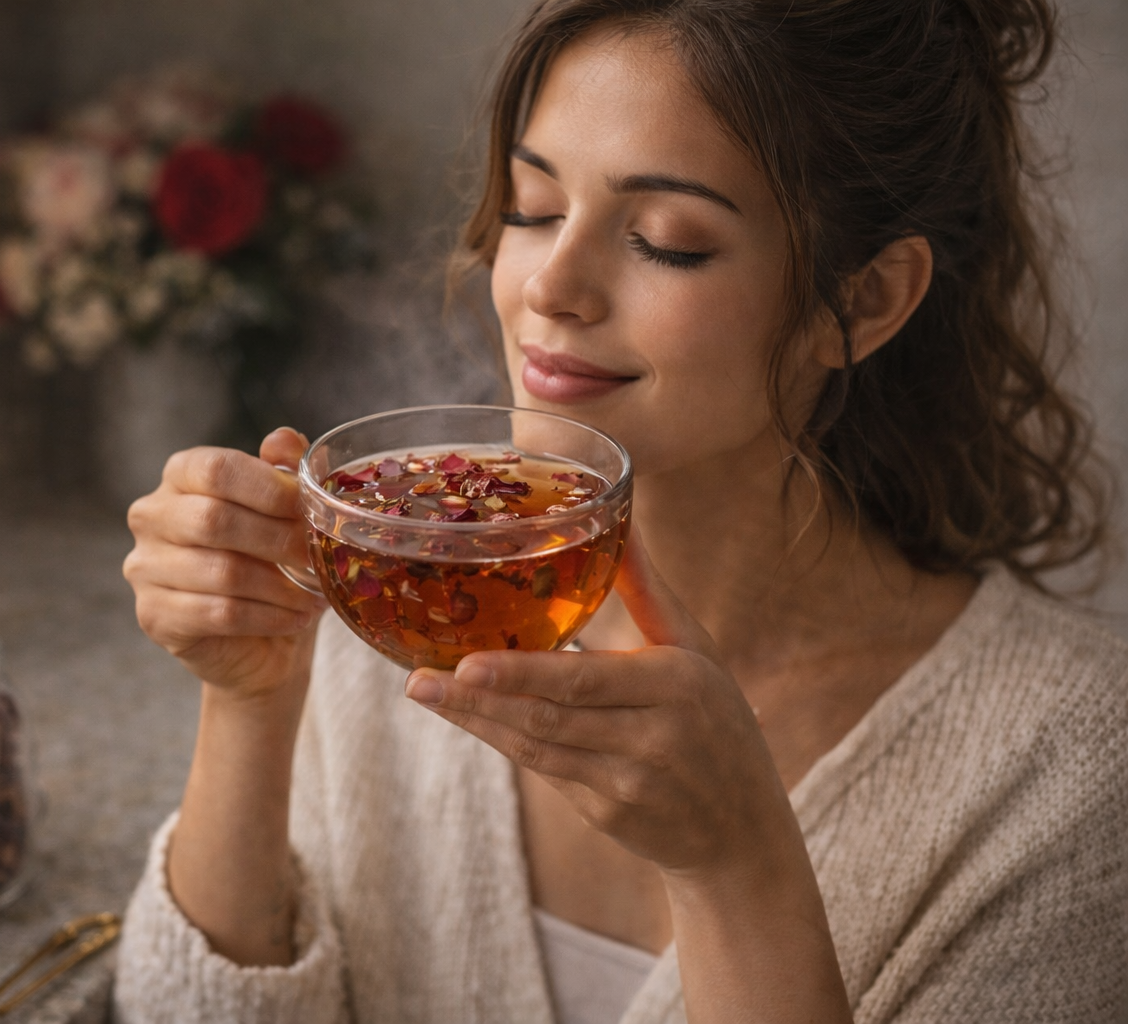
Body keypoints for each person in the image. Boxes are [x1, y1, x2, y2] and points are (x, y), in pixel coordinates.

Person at [114, 1, 1128, 1021]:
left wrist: (738, 870)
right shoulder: (388, 610)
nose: (550, 285)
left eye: (667, 241)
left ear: (860, 302)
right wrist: (250, 695)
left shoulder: (1074, 763)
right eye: (532, 206)